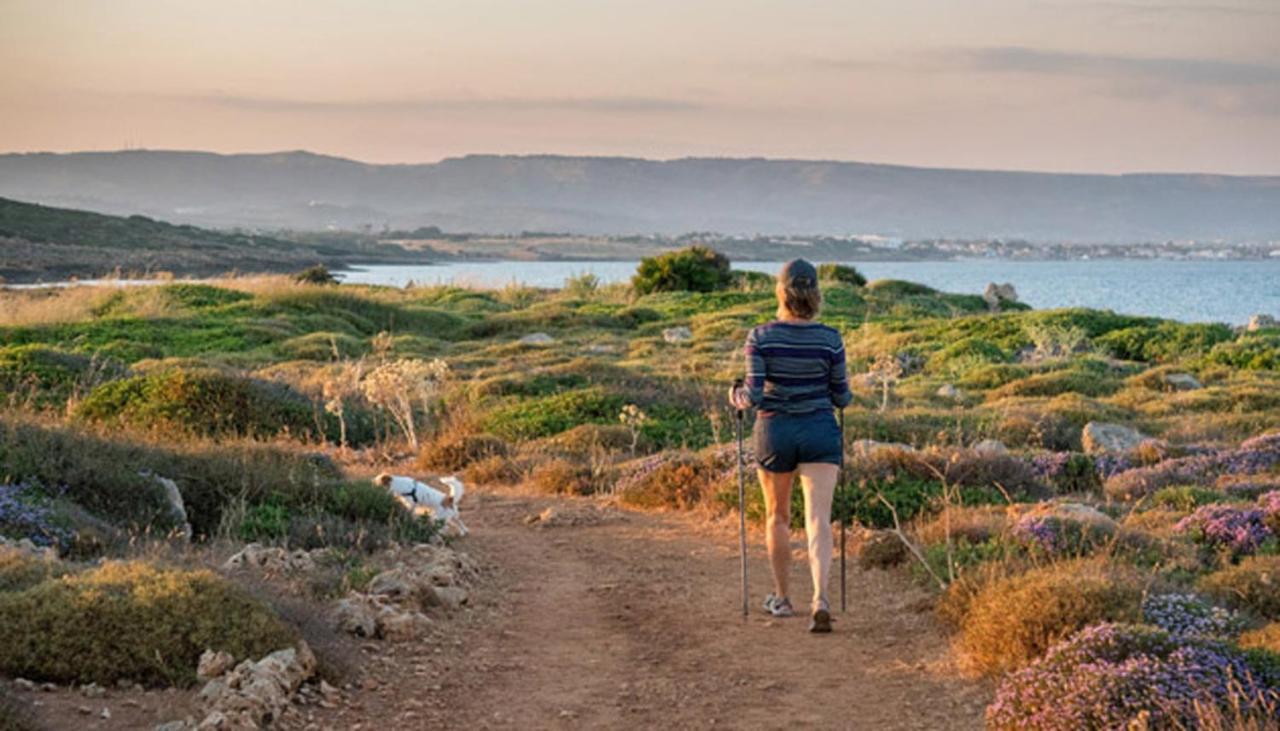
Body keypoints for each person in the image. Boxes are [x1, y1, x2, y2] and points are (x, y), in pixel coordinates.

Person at [729, 259, 852, 633]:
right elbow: (842, 398)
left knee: (777, 517)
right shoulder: (831, 339)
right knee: (819, 520)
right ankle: (821, 599)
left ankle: (782, 599)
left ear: (780, 292)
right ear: (815, 294)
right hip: (819, 431)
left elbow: (750, 395)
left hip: (775, 432)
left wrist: (733, 396)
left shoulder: (760, 337)